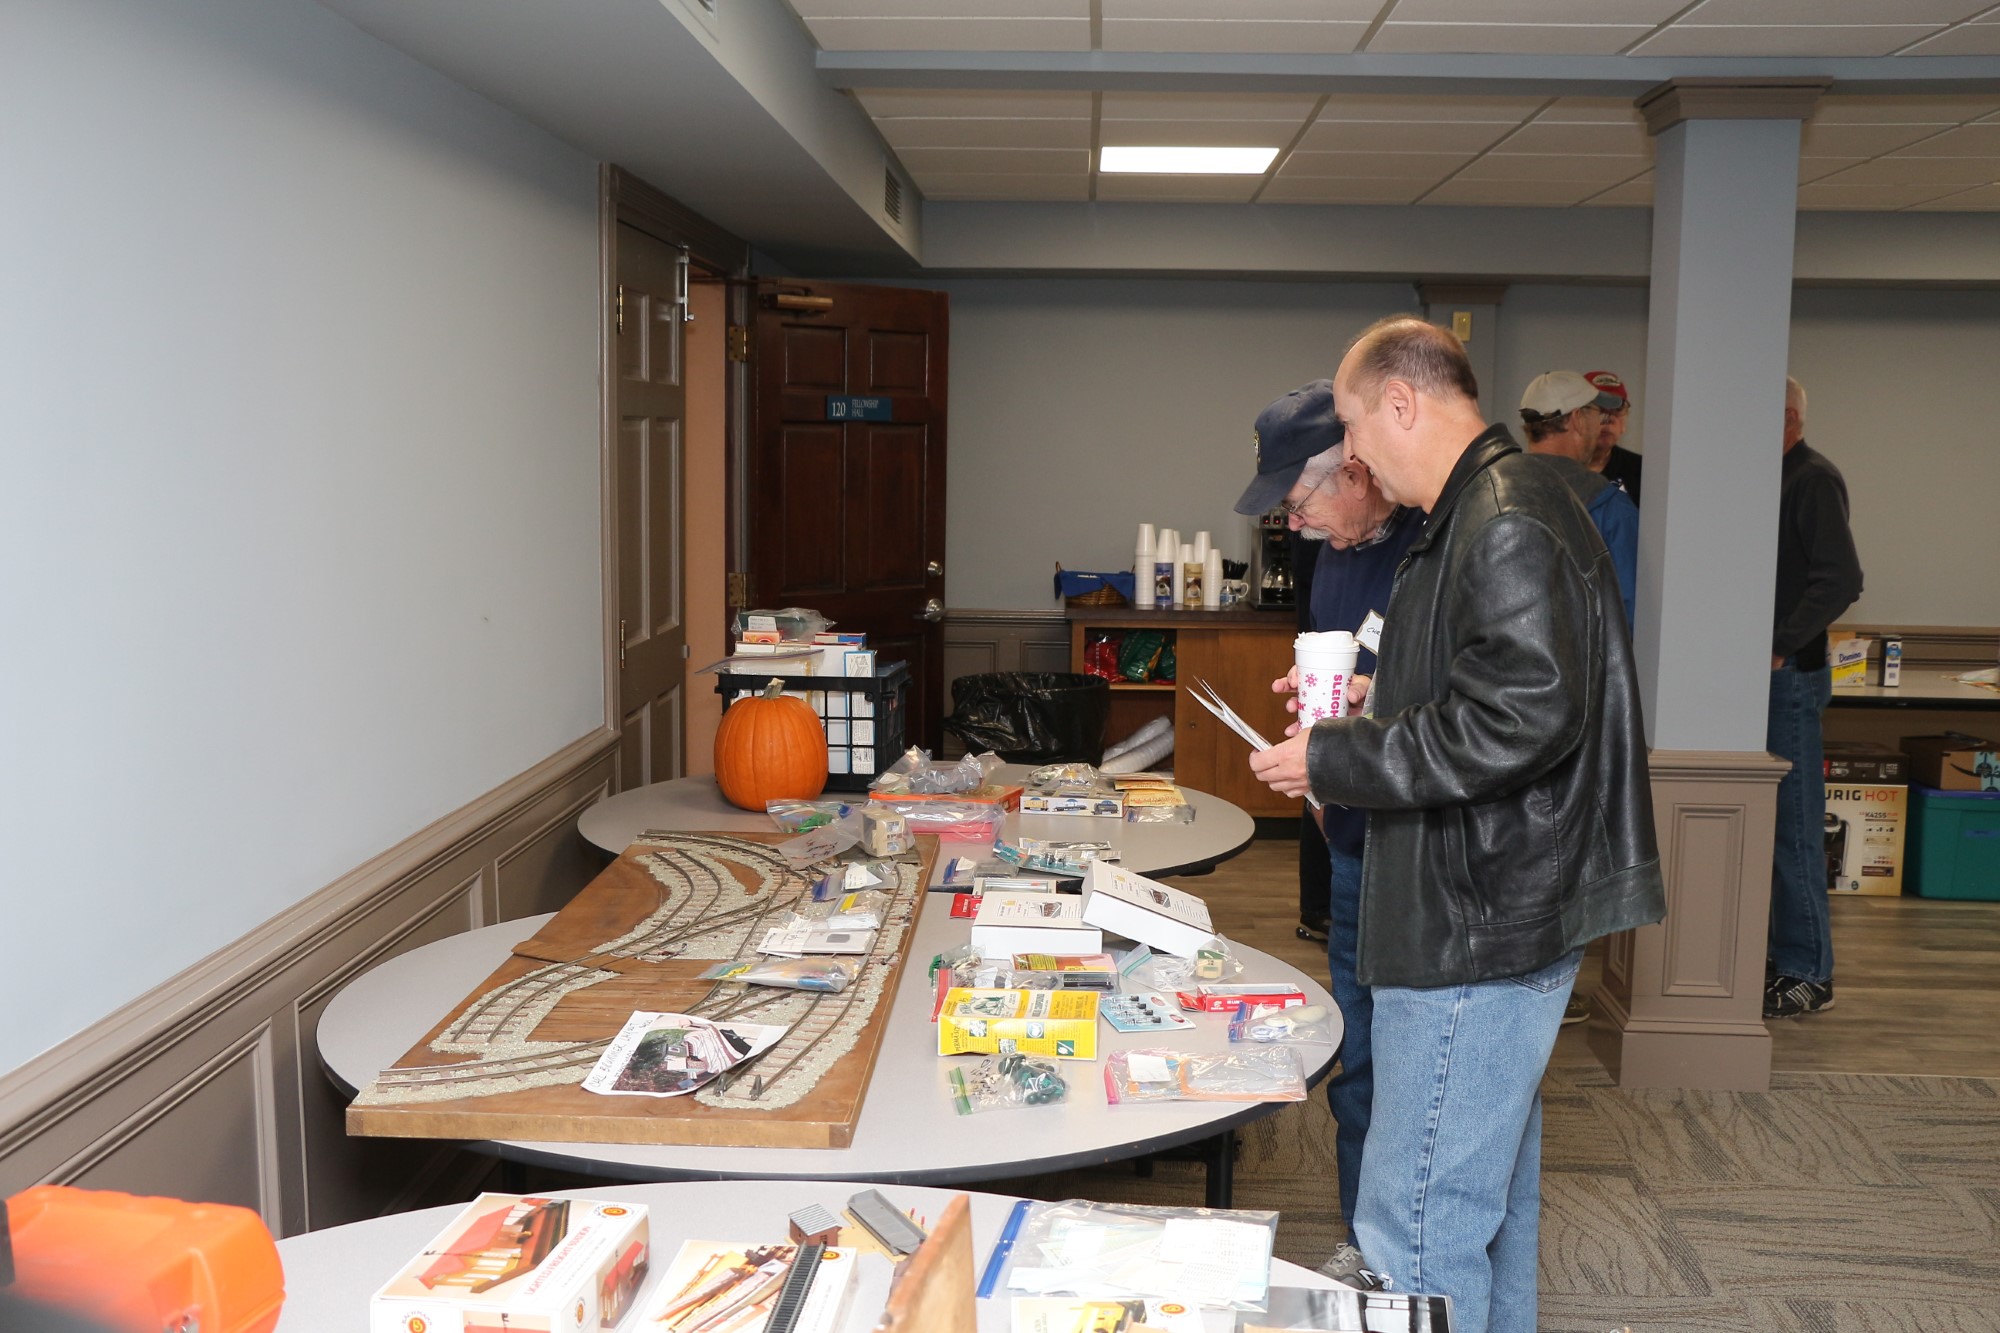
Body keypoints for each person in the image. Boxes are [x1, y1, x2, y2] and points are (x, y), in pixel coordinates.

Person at [1248, 317, 1665, 1333]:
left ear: (1400, 402)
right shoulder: (1487, 506)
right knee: (1485, 1211)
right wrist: (1371, 694)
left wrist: (1336, 756)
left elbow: (1518, 720)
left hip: (1474, 920)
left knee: (1417, 1228)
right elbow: (1487, 687)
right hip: (1492, 905)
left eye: (1354, 427)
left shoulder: (1504, 518)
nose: (1352, 453)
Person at [1233, 379, 1423, 1264]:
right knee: (1360, 1059)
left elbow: (1459, 708)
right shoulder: (1333, 552)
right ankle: (1361, 1242)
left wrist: (1370, 703)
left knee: (1416, 1074)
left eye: (1299, 501)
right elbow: (1342, 682)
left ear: (1353, 468)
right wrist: (1311, 715)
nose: (1294, 523)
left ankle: (1400, 1256)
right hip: (1350, 840)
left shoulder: (1438, 547)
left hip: (1422, 853)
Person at [1766, 376, 1864, 1019]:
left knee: (1795, 828)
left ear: (1789, 418)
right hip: (1768, 679)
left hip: (1791, 678)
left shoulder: (1811, 479)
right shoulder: (1772, 478)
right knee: (1772, 827)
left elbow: (1842, 579)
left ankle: (1808, 972)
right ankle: (1784, 958)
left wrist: (1779, 644)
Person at [1518, 370, 1639, 629]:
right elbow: (1627, 615)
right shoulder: (1611, 509)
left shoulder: (1488, 491)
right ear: (1578, 420)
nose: (1601, 423)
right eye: (1597, 413)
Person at [1584, 370, 1643, 504]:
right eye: (1599, 409)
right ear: (1577, 416)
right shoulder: (1556, 470)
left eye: (1617, 410)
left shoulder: (1642, 471)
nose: (1609, 419)